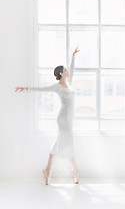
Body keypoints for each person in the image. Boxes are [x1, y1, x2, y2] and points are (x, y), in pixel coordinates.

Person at [15, 46, 80, 185]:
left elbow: (72, 68)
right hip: (63, 119)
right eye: (65, 70)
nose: (68, 71)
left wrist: (73, 56)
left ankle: (48, 169)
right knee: (68, 143)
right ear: (61, 73)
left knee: (61, 144)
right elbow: (41, 89)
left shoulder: (69, 82)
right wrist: (26, 88)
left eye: (67, 70)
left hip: (68, 119)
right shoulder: (57, 87)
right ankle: (74, 171)